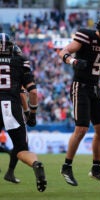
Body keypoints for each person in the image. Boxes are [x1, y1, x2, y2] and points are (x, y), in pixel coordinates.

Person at [59, 13, 100, 186]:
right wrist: (72, 61)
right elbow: (64, 51)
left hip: (95, 88)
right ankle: (66, 166)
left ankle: (95, 169)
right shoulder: (86, 35)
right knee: (81, 129)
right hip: (81, 86)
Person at [0, 32, 47, 192]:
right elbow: (32, 92)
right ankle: (35, 163)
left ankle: (10, 173)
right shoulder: (20, 61)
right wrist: (31, 113)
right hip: (10, 107)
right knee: (21, 148)